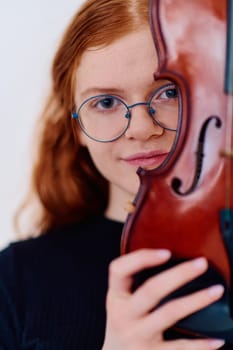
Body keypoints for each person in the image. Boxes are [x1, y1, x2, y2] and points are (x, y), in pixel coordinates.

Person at [0, 0, 228, 349]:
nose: (141, 127)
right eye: (105, 103)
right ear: (76, 126)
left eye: (169, 92)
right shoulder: (16, 278)